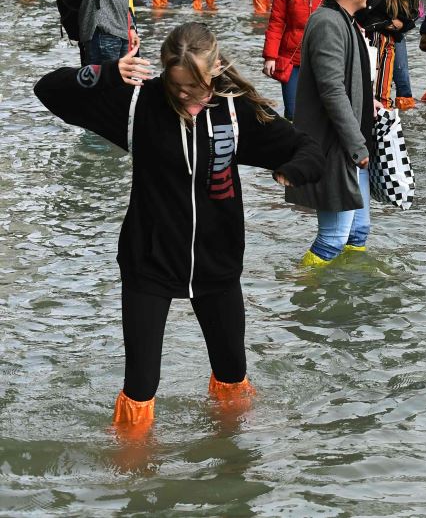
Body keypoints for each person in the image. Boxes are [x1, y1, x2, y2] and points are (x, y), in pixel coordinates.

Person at [34, 22, 323, 439]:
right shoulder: (138, 105)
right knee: (140, 386)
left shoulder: (233, 108)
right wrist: (106, 73)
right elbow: (50, 90)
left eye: (195, 85)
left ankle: (231, 457)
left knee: (232, 376)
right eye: (177, 85)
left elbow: (306, 147)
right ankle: (133, 473)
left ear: (216, 69)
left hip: (217, 262)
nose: (186, 95)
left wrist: (291, 170)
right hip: (148, 261)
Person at [288, 0, 377, 267]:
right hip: (336, 147)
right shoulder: (328, 22)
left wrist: (370, 103)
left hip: (352, 145)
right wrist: (356, 145)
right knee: (333, 240)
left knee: (358, 233)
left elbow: (345, 81)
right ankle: (302, 291)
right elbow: (331, 89)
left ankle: (349, 300)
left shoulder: (343, 19)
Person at [263, 0, 327, 120]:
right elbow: (276, 22)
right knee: (292, 113)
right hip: (291, 58)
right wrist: (270, 56)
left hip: (320, 57)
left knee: (317, 112)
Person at [358, 0, 426, 112]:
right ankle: (378, 110)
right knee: (374, 79)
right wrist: (388, 23)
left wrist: (401, 24)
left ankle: (387, 110)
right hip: (375, 39)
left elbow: (413, 17)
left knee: (386, 82)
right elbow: (363, 17)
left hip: (391, 40)